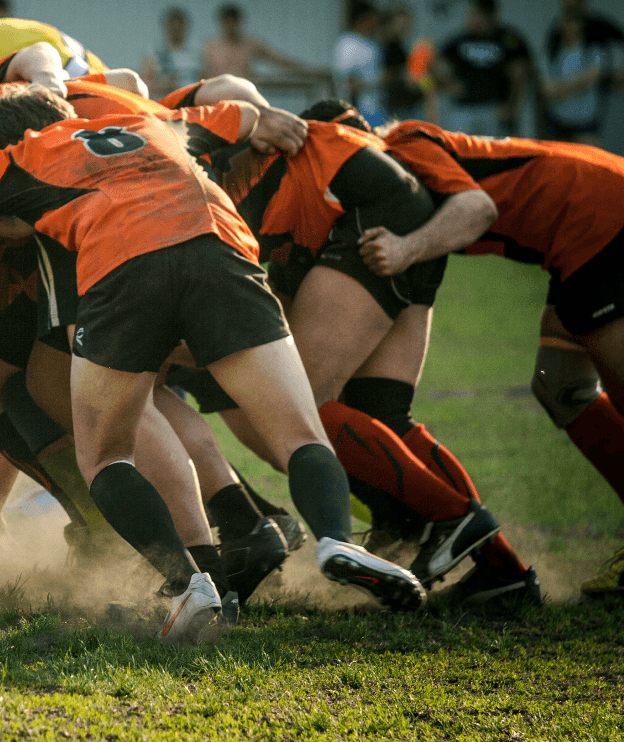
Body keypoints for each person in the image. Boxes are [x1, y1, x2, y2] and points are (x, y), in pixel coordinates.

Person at [0, 85, 428, 628]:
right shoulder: (149, 123)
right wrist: (261, 120)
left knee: (106, 457)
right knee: (302, 434)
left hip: (123, 271)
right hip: (218, 253)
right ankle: (336, 539)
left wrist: (4, 203)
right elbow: (242, 116)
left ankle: (188, 582)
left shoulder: (21, 157)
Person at [222, 101, 538, 608]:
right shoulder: (329, 178)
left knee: (303, 404)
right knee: (382, 413)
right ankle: (501, 568)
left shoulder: (310, 163)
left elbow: (478, 207)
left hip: (385, 231)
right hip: (404, 233)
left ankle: (453, 516)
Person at [362, 118, 624, 598]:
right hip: (589, 220)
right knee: (560, 385)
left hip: (600, 217)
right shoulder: (401, 153)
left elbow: (477, 208)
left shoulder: (403, 145)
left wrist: (405, 248)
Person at [432, 0, 531, 137]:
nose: (470, 19)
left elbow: (520, 73)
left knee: (494, 149)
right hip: (463, 110)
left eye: (475, 14)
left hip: (495, 109)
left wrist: (512, 105)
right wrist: (447, 85)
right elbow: (436, 64)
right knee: (460, 149)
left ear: (489, 15)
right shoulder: (460, 41)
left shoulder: (508, 39)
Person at [549, 0, 624, 94]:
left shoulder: (598, 26)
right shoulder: (556, 32)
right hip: (567, 98)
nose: (572, 2)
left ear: (583, 0)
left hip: (598, 96)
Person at [201, 3, 320, 81]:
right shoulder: (211, 47)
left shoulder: (250, 44)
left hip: (244, 98)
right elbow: (203, 75)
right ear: (221, 23)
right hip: (217, 100)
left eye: (233, 22)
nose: (230, 26)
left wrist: (310, 70)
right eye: (227, 22)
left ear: (239, 22)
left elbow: (279, 60)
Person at [542, 11, 609, 145]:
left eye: (573, 22)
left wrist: (559, 89)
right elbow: (547, 90)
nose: (569, 27)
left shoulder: (593, 51)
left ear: (581, 25)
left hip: (586, 120)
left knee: (588, 157)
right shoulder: (551, 53)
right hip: (557, 120)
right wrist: (578, 83)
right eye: (566, 22)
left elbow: (590, 79)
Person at [332, 0, 384, 126]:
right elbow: (346, 82)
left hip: (376, 109)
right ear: (363, 19)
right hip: (358, 113)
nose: (375, 23)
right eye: (372, 19)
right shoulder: (347, 43)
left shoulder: (372, 43)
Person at [142, 7, 200, 99]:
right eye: (173, 25)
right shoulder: (153, 54)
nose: (176, 28)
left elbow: (206, 78)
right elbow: (144, 85)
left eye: (179, 26)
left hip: (192, 101)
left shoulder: (198, 53)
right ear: (166, 27)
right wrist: (163, 84)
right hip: (165, 101)